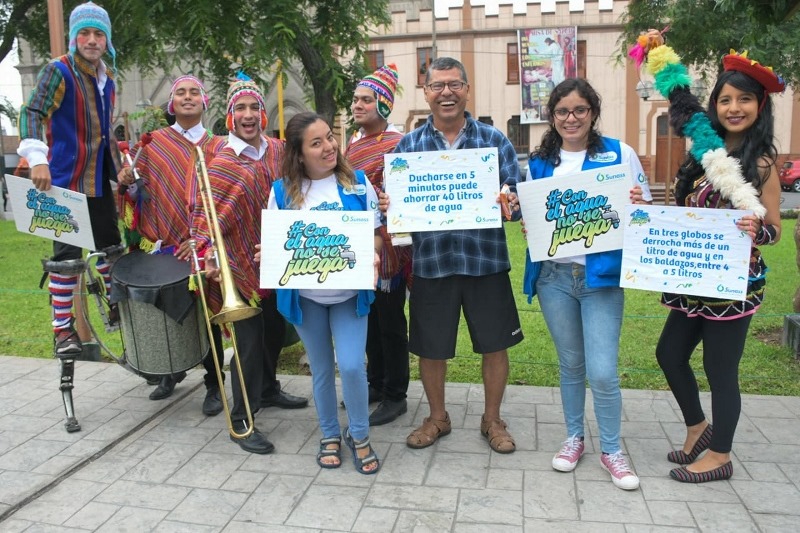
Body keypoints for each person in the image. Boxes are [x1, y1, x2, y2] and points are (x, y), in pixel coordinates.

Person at [634, 31, 783, 483]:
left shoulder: (762, 164)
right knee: (669, 354)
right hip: (692, 278)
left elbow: (775, 230)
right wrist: (645, 211)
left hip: (734, 283)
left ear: (760, 107)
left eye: (744, 100)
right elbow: (686, 216)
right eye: (724, 100)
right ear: (714, 106)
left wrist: (760, 228)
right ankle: (698, 426)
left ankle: (720, 454)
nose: (733, 108)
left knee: (721, 369)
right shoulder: (701, 156)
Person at [382, 57, 523, 454]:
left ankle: (492, 419)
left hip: (485, 262)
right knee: (431, 347)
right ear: (426, 92)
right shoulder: (408, 147)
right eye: (438, 85)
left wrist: (509, 201)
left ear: (466, 89)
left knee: (496, 345)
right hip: (433, 264)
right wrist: (391, 205)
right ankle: (437, 417)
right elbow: (398, 217)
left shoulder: (495, 141)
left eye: (455, 84)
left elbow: (519, 203)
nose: (447, 92)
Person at [522, 78, 652, 491]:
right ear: (552, 117)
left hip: (601, 279)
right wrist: (523, 218)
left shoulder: (618, 153)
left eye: (579, 110)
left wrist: (637, 204)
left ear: (593, 112)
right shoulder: (541, 162)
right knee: (571, 365)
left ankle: (611, 449)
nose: (571, 118)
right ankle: (574, 437)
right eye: (562, 111)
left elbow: (644, 211)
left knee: (603, 372)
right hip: (555, 279)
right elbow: (532, 219)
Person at [17, 2, 123, 433]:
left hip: (97, 182)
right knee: (65, 259)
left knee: (112, 248)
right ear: (75, 37)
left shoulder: (108, 77)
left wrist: (122, 170)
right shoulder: (58, 71)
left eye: (99, 34)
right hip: (61, 183)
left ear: (106, 39)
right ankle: (64, 328)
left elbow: (103, 133)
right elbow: (32, 112)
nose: (93, 41)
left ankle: (116, 307)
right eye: (86, 34)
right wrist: (36, 158)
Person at [193, 76, 308, 455]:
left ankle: (268, 389)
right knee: (248, 345)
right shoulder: (221, 161)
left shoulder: (278, 150)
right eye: (240, 108)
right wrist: (207, 249)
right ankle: (241, 421)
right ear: (229, 116)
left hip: (277, 258)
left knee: (275, 331)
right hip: (237, 264)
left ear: (262, 113)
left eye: (254, 108)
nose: (248, 115)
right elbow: (204, 214)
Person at [265, 111, 383, 474]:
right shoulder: (281, 192)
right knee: (320, 369)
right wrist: (268, 252)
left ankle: (359, 435)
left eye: (329, 138)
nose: (329, 146)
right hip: (307, 301)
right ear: (299, 154)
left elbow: (376, 233)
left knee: (350, 365)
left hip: (349, 297)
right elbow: (276, 245)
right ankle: (330, 434)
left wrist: (375, 253)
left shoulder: (359, 184)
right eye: (316, 143)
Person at [118, 75, 227, 409]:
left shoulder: (219, 146)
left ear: (204, 102)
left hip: (202, 244)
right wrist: (124, 182)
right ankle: (169, 372)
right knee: (164, 308)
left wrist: (205, 237)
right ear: (172, 104)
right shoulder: (152, 145)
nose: (188, 97)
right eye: (181, 92)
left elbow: (225, 194)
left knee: (209, 311)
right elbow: (134, 190)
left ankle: (214, 382)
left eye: (195, 92)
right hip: (162, 243)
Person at [345, 64, 411, 426]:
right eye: (355, 99)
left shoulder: (398, 144)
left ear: (383, 106)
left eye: (366, 100)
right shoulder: (352, 142)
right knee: (366, 318)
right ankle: (375, 382)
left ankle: (395, 394)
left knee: (389, 322)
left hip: (388, 248)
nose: (358, 105)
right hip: (359, 240)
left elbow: (403, 193)